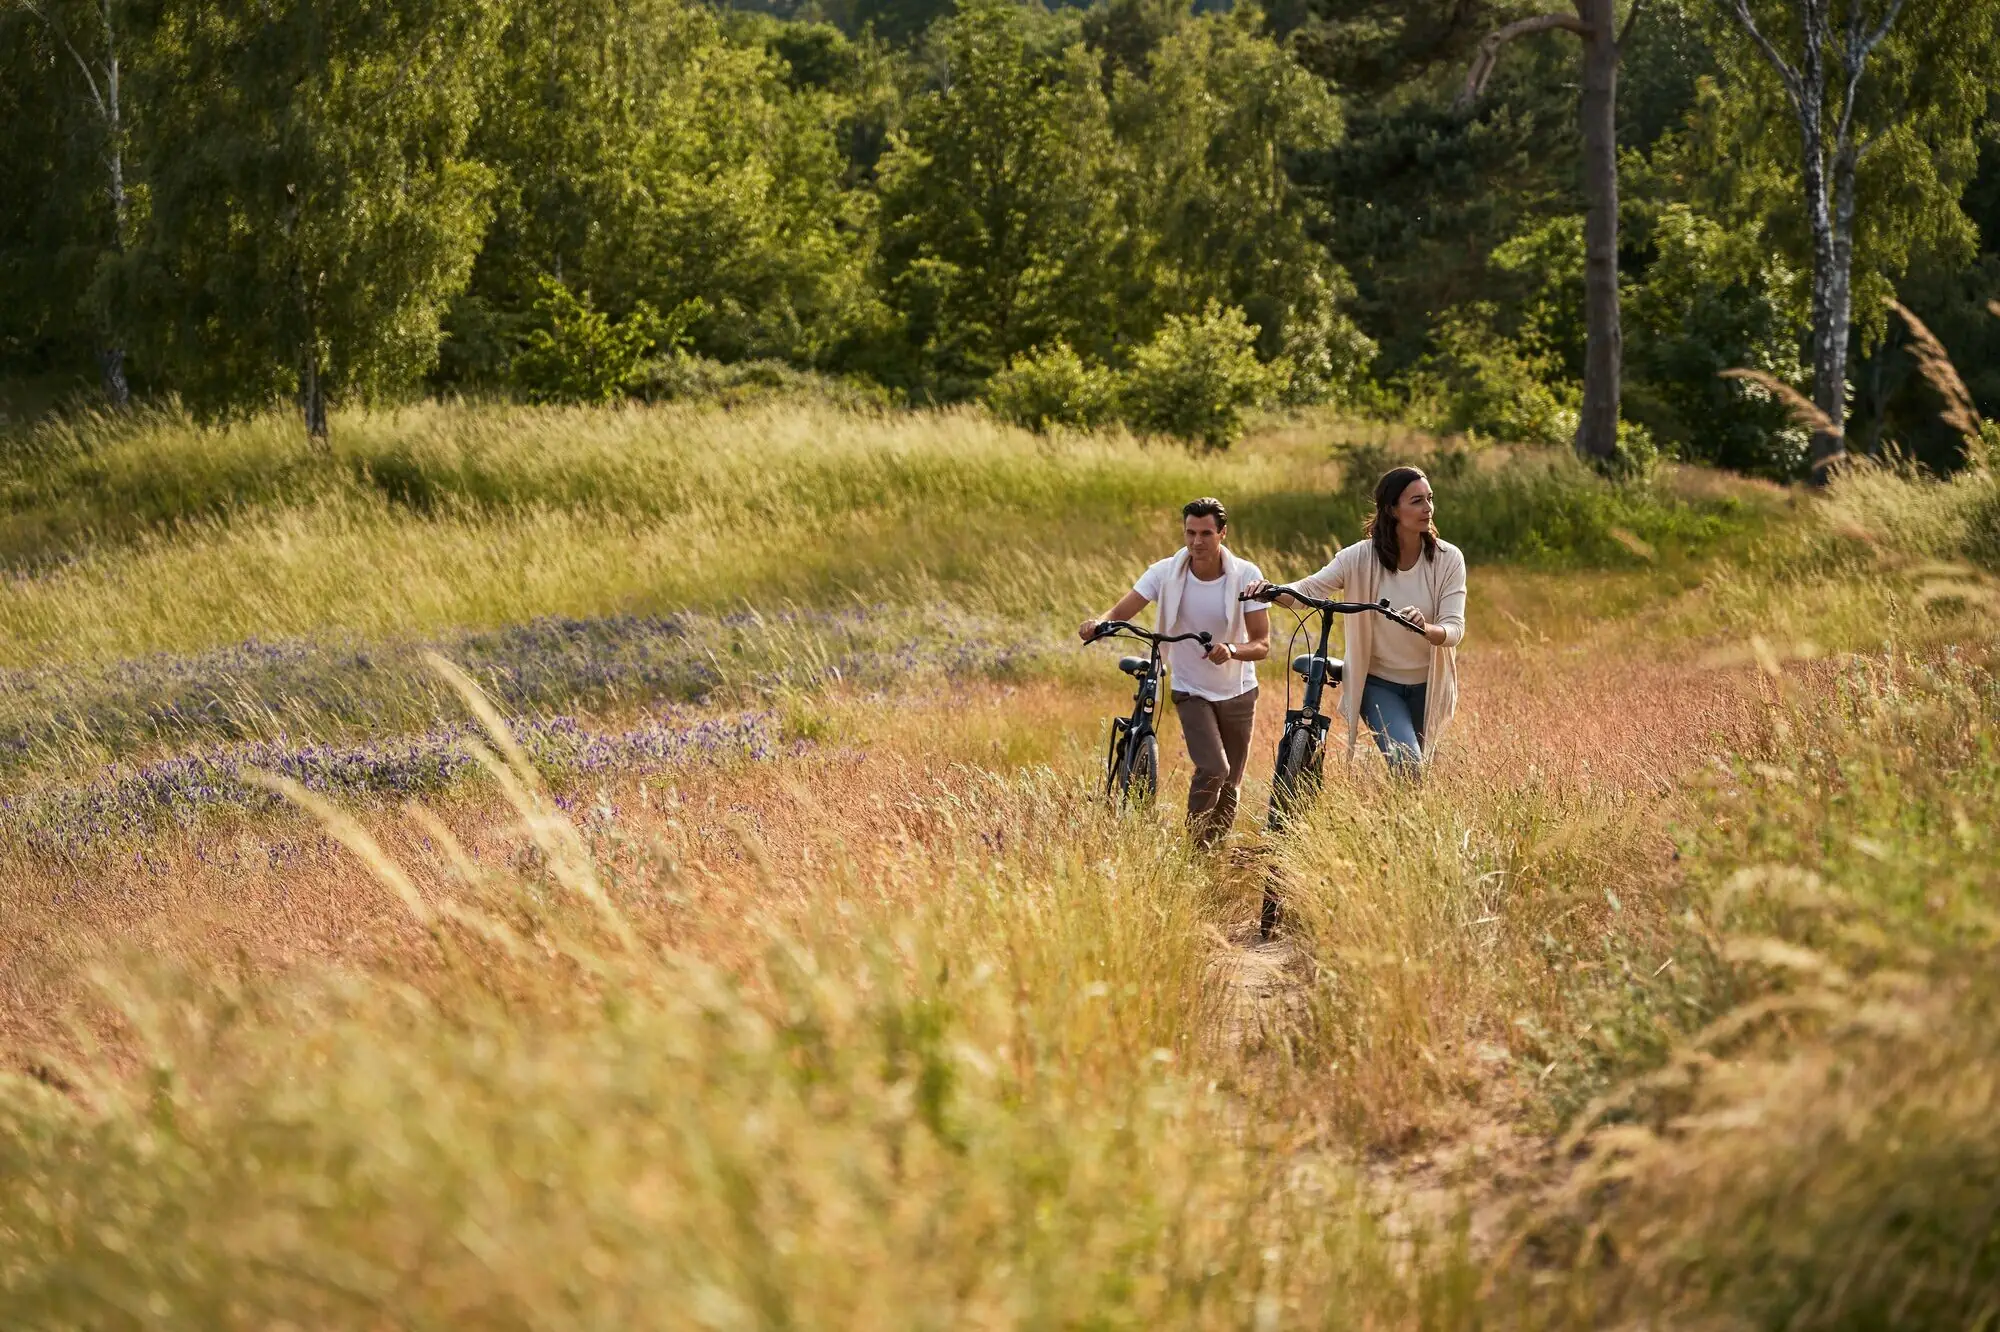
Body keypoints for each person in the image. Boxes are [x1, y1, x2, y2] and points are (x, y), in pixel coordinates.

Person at [1080, 498, 1271, 846]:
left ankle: (1211, 854)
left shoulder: (1246, 575)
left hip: (1238, 690)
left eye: (1206, 533)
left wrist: (1230, 650)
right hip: (1190, 687)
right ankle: (1194, 848)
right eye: (1190, 533)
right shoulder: (1165, 572)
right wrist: (1100, 624)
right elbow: (1123, 609)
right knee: (1214, 768)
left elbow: (1261, 644)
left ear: (1222, 534)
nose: (1197, 542)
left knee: (1230, 786)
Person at [1249, 466, 1466, 774]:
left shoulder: (1448, 558)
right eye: (1417, 501)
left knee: (1420, 774)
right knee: (1408, 765)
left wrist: (1426, 629)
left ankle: (1404, 822)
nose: (1428, 508)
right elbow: (1310, 588)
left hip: (1429, 685)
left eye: (1430, 499)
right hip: (1379, 684)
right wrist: (1272, 591)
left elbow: (1454, 628)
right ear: (1392, 509)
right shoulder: (1359, 557)